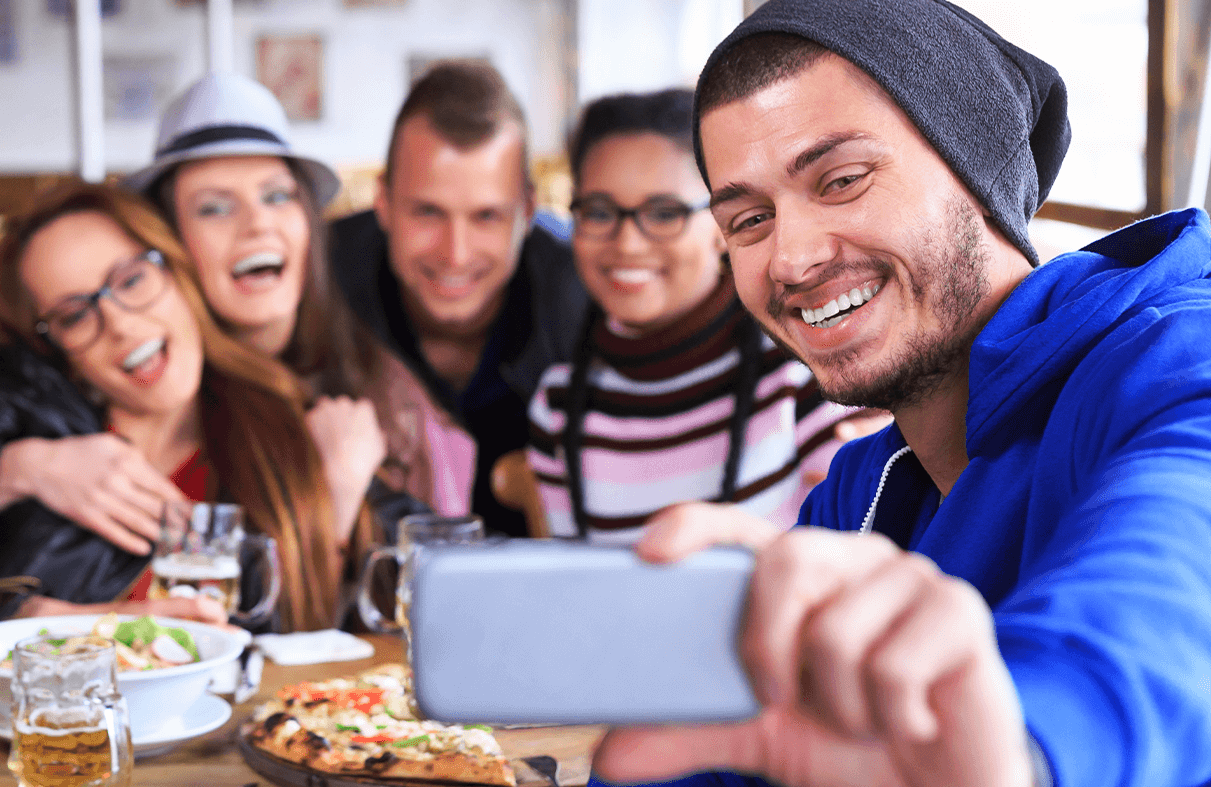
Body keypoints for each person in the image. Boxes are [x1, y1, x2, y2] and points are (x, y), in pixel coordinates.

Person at [588, 1, 1211, 785]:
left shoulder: (1174, 360)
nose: (791, 257)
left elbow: (1176, 578)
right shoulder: (858, 496)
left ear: (975, 168)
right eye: (748, 220)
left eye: (842, 180)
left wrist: (1019, 747)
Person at [0, 184, 375, 650]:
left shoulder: (279, 419)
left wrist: (337, 499)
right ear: (53, 344)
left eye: (133, 280)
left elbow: (305, 638)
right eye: (74, 315)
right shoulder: (8, 399)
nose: (116, 322)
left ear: (178, 270)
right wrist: (20, 476)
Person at [526, 88, 869, 543]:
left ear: (720, 224)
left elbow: (857, 566)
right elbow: (573, 598)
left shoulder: (808, 371)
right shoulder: (556, 408)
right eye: (600, 211)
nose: (627, 243)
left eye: (664, 212)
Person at [127, 71, 446, 522]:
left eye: (277, 196)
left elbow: (437, 573)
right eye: (214, 207)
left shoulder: (384, 389)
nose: (258, 224)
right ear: (170, 240)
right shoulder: (151, 398)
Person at [333, 60, 589, 538]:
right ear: (383, 202)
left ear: (528, 212)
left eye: (487, 216)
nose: (456, 253)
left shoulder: (585, 295)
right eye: (428, 212)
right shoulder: (320, 282)